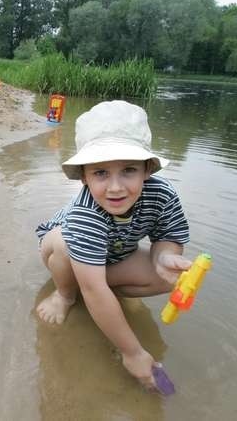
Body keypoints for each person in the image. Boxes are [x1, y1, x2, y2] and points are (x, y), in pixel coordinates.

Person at [35, 100, 192, 391]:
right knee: (67, 248)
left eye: (128, 170)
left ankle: (103, 292)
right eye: (101, 173)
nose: (116, 187)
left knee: (172, 276)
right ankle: (66, 294)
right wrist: (132, 353)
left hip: (112, 256)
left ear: (147, 169)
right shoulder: (85, 212)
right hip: (63, 251)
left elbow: (168, 238)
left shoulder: (162, 195)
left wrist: (164, 257)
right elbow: (94, 290)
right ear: (84, 176)